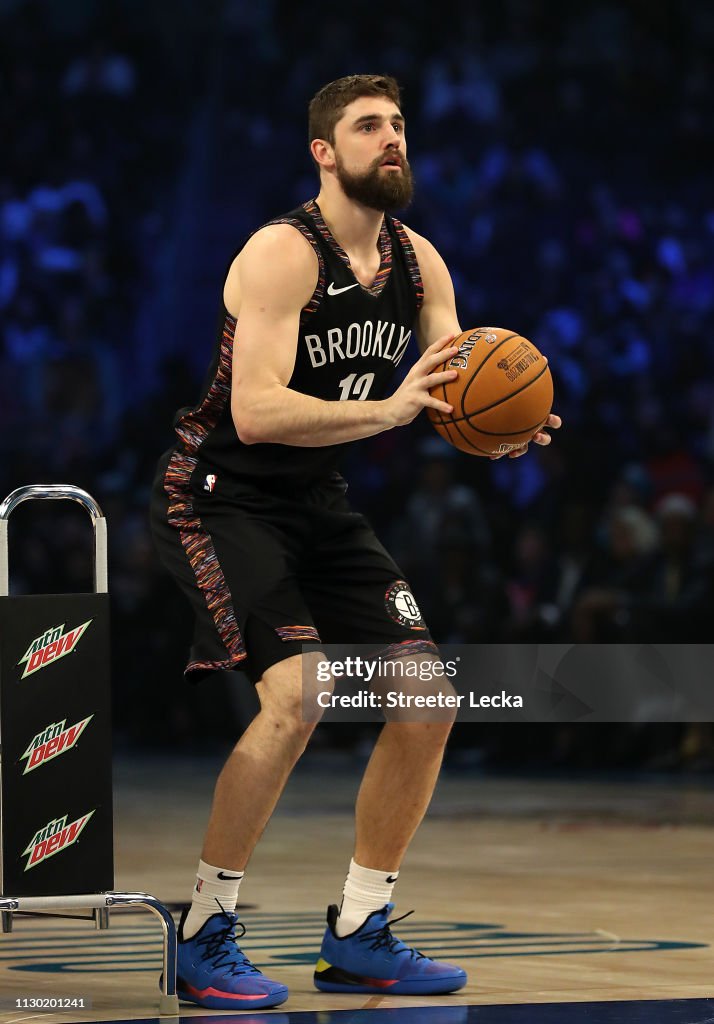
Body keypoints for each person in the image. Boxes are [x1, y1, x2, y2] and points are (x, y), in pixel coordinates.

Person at [150, 73, 560, 1011]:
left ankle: (359, 930)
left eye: (399, 125)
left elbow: (451, 382)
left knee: (429, 699)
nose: (392, 139)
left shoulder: (422, 264)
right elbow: (253, 413)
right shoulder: (281, 254)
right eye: (369, 126)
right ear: (323, 152)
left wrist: (500, 424)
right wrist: (392, 407)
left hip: (317, 501)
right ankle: (205, 930)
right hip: (217, 496)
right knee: (300, 696)